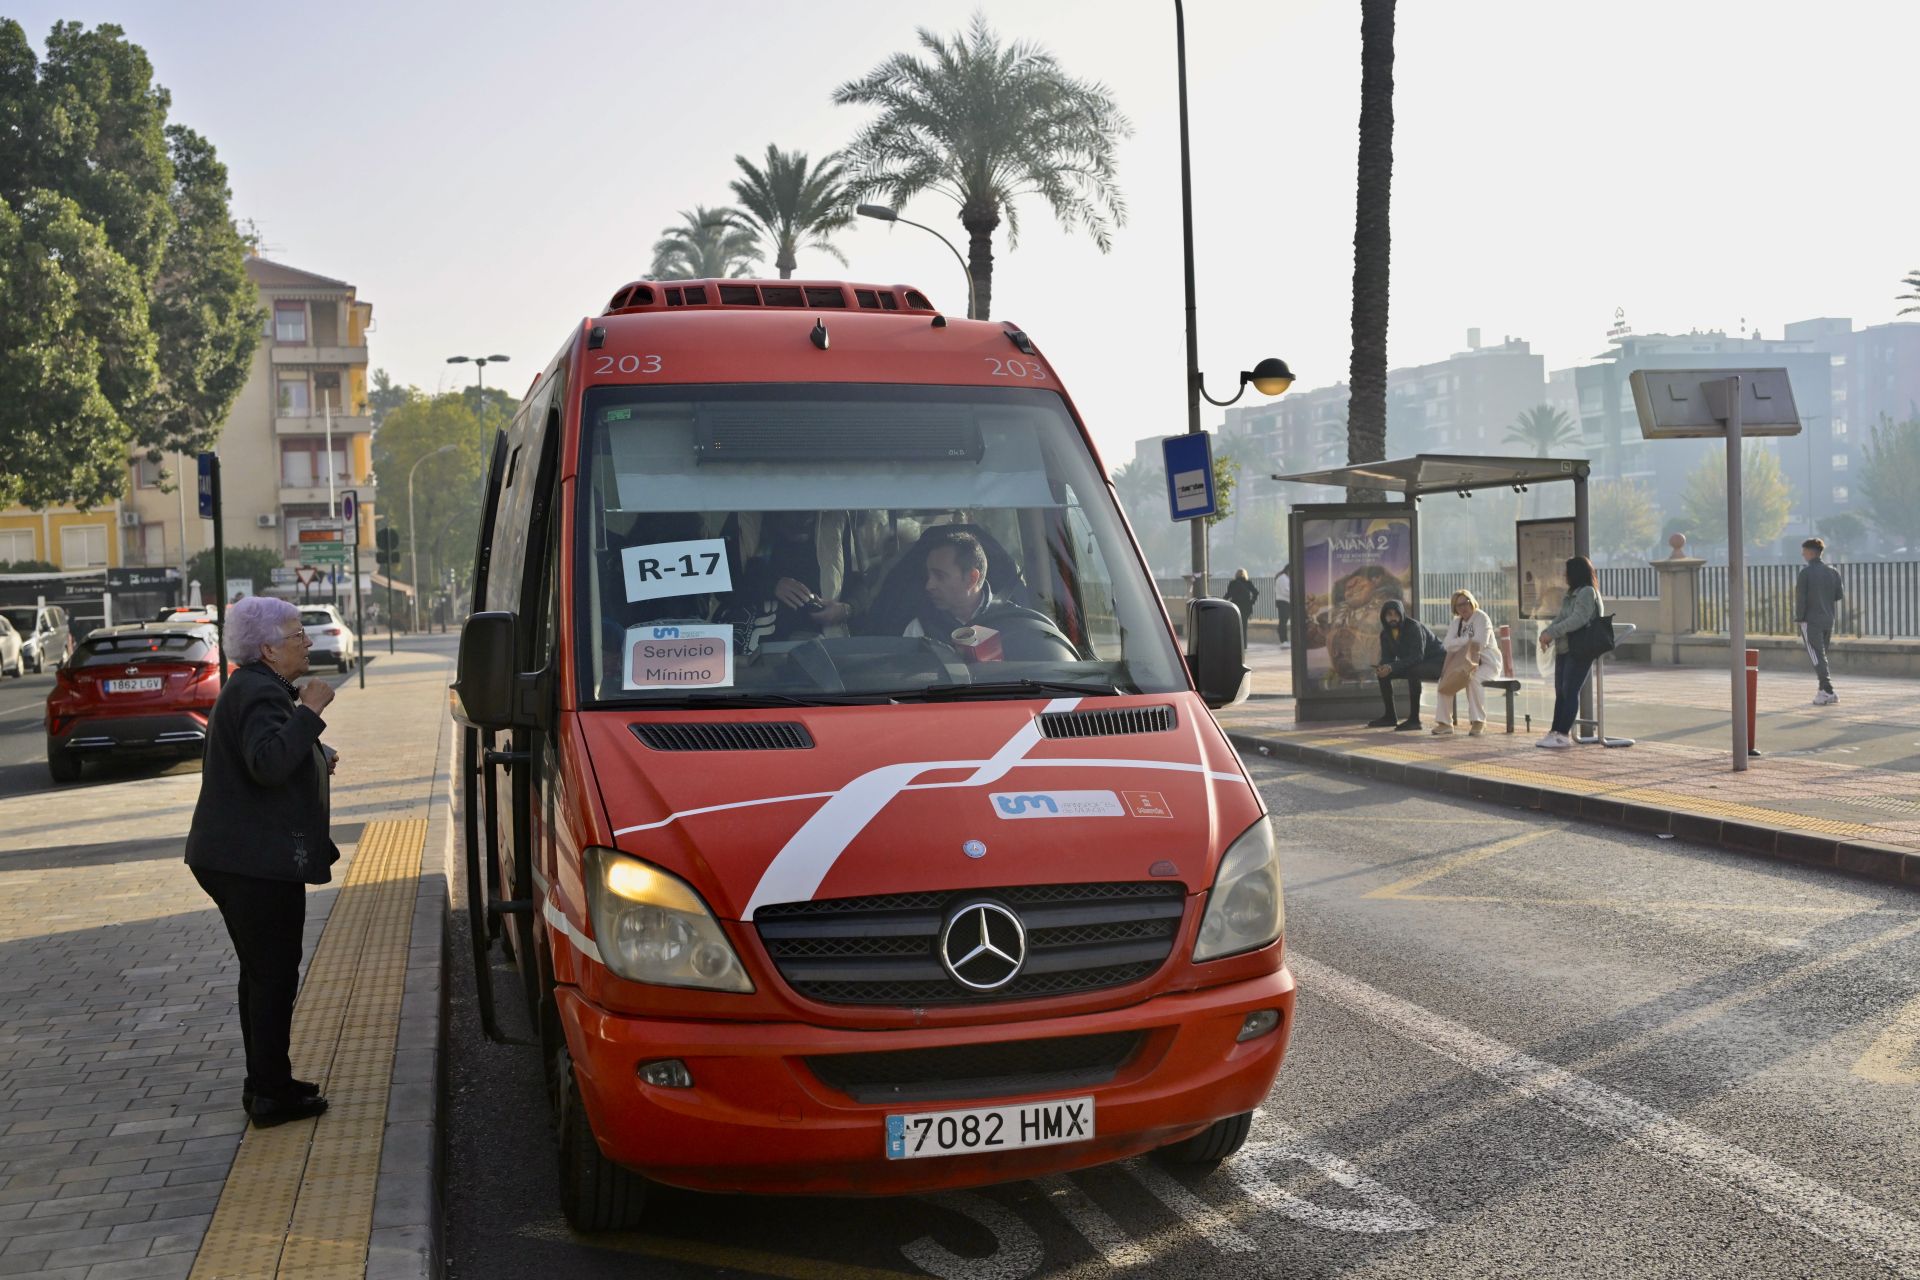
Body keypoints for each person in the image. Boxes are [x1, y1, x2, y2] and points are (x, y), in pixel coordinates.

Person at [184, 596, 338, 1127]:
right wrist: (311, 711)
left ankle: (266, 1081)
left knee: (262, 972)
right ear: (269, 648)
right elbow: (269, 763)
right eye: (298, 635)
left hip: (237, 857)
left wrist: (317, 751)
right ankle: (271, 1093)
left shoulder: (255, 687)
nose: (307, 642)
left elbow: (266, 756)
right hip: (251, 862)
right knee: (272, 974)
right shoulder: (259, 691)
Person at [905, 529, 1076, 662]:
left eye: (940, 576)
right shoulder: (919, 629)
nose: (929, 585)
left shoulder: (1017, 624)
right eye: (928, 576)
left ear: (972, 578)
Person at [1535, 555, 1605, 749]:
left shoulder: (1587, 593)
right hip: (1565, 648)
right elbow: (1562, 617)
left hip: (1579, 649)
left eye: (1567, 572)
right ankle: (1554, 731)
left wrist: (1552, 633)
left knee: (1570, 690)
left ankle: (1563, 734)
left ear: (1575, 573)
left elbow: (1578, 619)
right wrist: (1546, 633)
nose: (1564, 576)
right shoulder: (1572, 593)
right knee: (1561, 692)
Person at [1431, 588, 1502, 737]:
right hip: (1465, 663)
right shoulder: (1456, 623)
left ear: (1472, 602)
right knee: (1443, 681)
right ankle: (1445, 723)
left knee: (1473, 678)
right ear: (1455, 608)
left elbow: (1480, 643)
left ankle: (1478, 721)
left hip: (1488, 664)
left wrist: (1460, 642)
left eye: (1466, 603)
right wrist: (1467, 641)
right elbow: (1447, 645)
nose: (1463, 607)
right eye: (1459, 605)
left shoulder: (1481, 618)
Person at [1369, 600, 1445, 730]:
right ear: (1384, 616)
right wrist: (1383, 667)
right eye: (1389, 614)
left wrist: (1391, 667)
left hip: (1438, 663)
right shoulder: (1385, 633)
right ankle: (1390, 717)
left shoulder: (1414, 627)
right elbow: (1388, 658)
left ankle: (1415, 720)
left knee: (1413, 670)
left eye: (1396, 614)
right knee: (1383, 675)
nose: (1393, 618)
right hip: (1417, 663)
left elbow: (1417, 656)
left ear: (1401, 614)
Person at [1794, 536, 1843, 705]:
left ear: (1809, 553)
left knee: (1816, 656)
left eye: (1804, 552)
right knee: (1822, 656)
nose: (1802, 555)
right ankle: (1824, 690)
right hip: (1828, 619)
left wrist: (1799, 619)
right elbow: (1838, 596)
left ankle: (1827, 690)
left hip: (1810, 620)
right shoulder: (1833, 572)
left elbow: (1801, 599)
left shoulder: (1805, 573)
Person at [1223, 568, 1260, 645]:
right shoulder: (1248, 582)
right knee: (1244, 626)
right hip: (1246, 606)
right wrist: (1252, 601)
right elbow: (1256, 592)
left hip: (1235, 606)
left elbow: (1228, 594)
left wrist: (1223, 601)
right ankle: (1244, 644)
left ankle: (1236, 643)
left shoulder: (1232, 583)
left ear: (1236, 574)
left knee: (1235, 626)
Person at [1272, 565, 1291, 645]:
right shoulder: (1283, 578)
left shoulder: (1283, 578)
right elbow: (1285, 591)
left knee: (1283, 621)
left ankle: (1284, 639)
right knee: (1283, 622)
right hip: (1284, 601)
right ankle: (1284, 640)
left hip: (1283, 601)